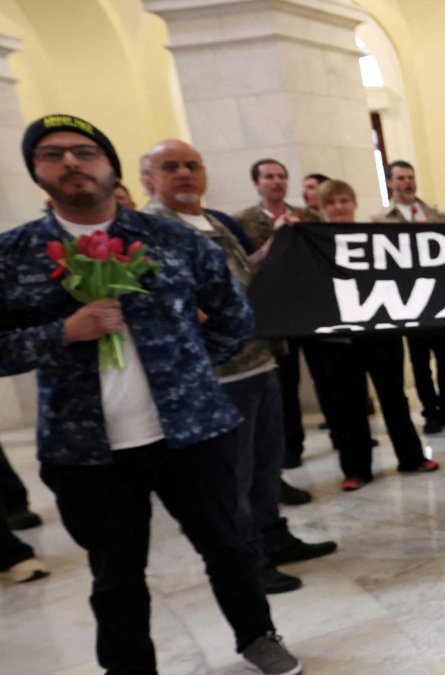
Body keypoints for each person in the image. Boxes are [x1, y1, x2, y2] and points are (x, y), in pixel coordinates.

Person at [0, 114, 301, 674]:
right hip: (85, 447)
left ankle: (258, 635)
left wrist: (186, 365)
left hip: (192, 432)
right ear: (35, 172)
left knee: (231, 547)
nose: (71, 162)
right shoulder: (14, 255)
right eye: (52, 153)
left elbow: (237, 318)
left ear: (111, 167)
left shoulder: (171, 240)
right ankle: (129, 665)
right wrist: (63, 333)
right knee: (115, 572)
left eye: (85, 151)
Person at [143, 139, 338, 593]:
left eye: (193, 164)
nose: (185, 173)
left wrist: (271, 254)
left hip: (259, 358)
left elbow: (242, 277)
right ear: (149, 177)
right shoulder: (151, 228)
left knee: (267, 462)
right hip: (216, 374)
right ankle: (248, 559)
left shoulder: (213, 222)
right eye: (171, 166)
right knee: (234, 474)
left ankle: (273, 537)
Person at [308, 179, 438, 490]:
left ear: (353, 203)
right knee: (348, 404)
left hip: (380, 332)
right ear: (322, 208)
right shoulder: (311, 244)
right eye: (331, 203)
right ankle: (356, 469)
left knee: (394, 397)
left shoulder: (375, 238)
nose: (338, 207)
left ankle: (412, 457)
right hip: (337, 338)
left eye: (343, 200)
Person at [235, 159, 328, 476]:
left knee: (326, 377)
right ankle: (292, 447)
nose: (276, 182)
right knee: (285, 383)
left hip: (310, 310)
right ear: (256, 183)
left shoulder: (309, 216)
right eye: (269, 176)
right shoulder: (242, 222)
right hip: (271, 316)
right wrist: (273, 242)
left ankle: (342, 435)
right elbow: (242, 267)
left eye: (281, 176)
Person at [372, 160, 445, 434]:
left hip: (439, 298)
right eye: (401, 178)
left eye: (410, 177)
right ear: (391, 183)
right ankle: (431, 411)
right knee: (419, 361)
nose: (407, 183)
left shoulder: (436, 215)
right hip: (408, 302)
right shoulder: (380, 220)